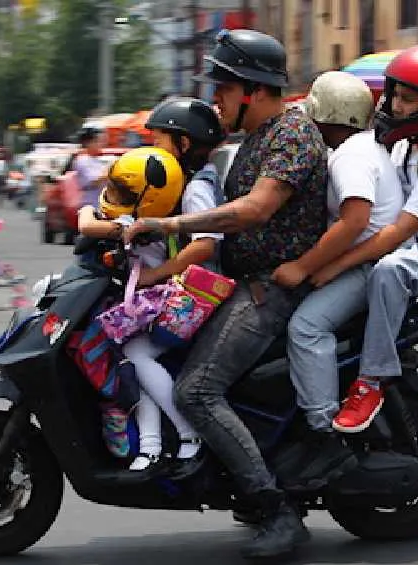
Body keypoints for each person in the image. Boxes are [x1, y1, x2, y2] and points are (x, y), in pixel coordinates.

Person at [124, 28, 328, 560]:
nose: (216, 99)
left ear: (253, 89)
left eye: (223, 87)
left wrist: (172, 221)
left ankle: (275, 510)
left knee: (196, 391)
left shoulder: (292, 136)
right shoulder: (253, 142)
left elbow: (254, 211)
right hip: (234, 285)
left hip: (267, 293)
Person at [308, 44, 418, 434]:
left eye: (407, 99)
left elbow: (398, 232)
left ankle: (372, 381)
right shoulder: (405, 147)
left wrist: (332, 265)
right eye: (393, 93)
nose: (394, 104)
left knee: (392, 268)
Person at [274, 71, 404, 490]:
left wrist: (305, 266)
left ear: (328, 116)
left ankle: (322, 432)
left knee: (306, 328)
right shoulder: (360, 147)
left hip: (365, 268)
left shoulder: (351, 156)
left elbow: (354, 221)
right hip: (360, 262)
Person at [79, 139, 221, 473]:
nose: (113, 200)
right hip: (151, 309)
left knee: (136, 357)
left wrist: (100, 219)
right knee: (130, 361)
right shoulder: (149, 216)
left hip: (182, 309)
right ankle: (152, 446)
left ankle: (189, 434)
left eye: (122, 195)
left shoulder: (142, 226)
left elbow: (87, 223)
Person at [73, 128, 109, 210]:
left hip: (102, 204)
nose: (101, 144)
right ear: (88, 143)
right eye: (97, 141)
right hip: (92, 205)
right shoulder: (83, 160)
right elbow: (95, 181)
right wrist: (111, 170)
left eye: (102, 141)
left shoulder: (98, 160)